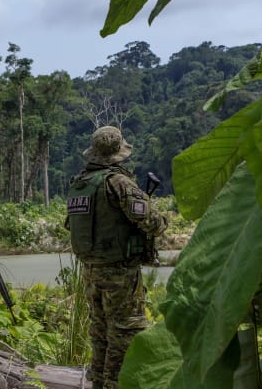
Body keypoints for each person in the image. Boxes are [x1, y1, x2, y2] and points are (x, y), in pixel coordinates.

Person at [66, 126, 168, 389]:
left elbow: (73, 225)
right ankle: (117, 384)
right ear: (118, 152)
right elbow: (152, 222)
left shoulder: (81, 183)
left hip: (91, 270)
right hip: (119, 272)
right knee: (125, 332)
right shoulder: (118, 182)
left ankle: (98, 380)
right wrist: (161, 218)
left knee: (100, 331)